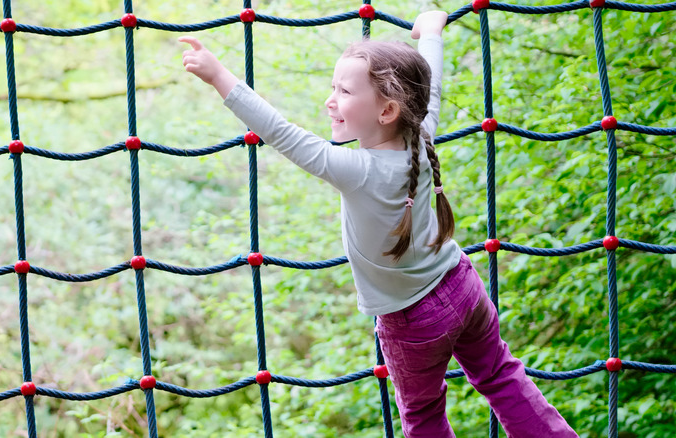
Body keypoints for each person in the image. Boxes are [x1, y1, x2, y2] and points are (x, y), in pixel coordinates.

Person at [179, 10, 578, 438]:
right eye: (333, 87)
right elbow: (432, 87)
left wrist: (219, 75)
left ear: (388, 110)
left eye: (344, 91)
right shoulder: (421, 132)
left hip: (412, 322)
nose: (330, 100)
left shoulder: (355, 169)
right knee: (501, 376)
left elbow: (280, 132)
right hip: (462, 286)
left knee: (424, 416)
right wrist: (432, 34)